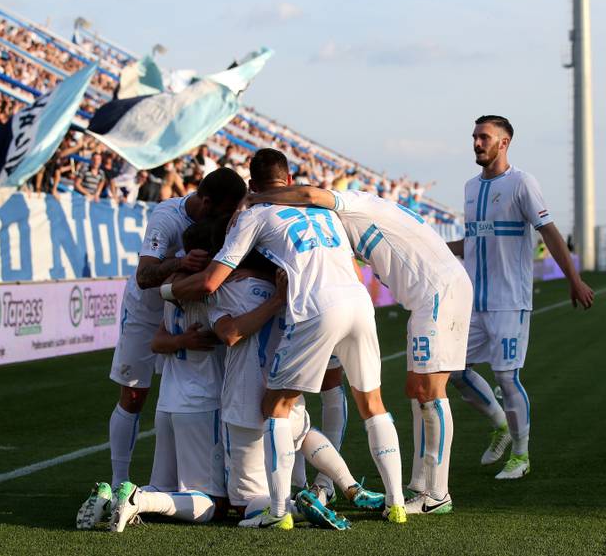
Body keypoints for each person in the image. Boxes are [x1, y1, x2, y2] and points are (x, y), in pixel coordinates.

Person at [166, 148, 407, 526]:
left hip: (314, 306)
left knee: (276, 407)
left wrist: (169, 290)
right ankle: (396, 503)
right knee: (372, 403)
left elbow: (213, 280)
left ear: (251, 184)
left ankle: (280, 511)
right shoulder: (324, 210)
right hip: (359, 299)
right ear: (289, 180)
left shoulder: (254, 215)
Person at [245, 183, 472, 515]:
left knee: (429, 390)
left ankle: (437, 494)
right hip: (430, 294)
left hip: (437, 292)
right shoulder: (358, 219)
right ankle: (421, 486)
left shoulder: (351, 205)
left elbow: (310, 195)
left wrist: (258, 198)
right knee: (416, 389)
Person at [75, 167, 247, 523]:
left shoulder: (226, 219)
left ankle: (146, 490)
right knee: (134, 395)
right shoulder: (166, 217)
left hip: (183, 308)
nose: (229, 219)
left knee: (177, 387)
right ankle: (118, 482)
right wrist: (180, 264)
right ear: (207, 201)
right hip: (147, 310)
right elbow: (144, 275)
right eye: (224, 211)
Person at [446, 115, 594, 480]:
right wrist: (429, 250)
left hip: (510, 300)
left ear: (504, 143)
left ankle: (521, 455)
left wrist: (573, 278)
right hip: (474, 301)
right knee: (454, 370)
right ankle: (500, 425)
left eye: (485, 137)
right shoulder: (469, 187)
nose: (477, 143)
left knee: (507, 376)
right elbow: (473, 242)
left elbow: (550, 232)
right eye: (474, 137)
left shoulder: (522, 183)